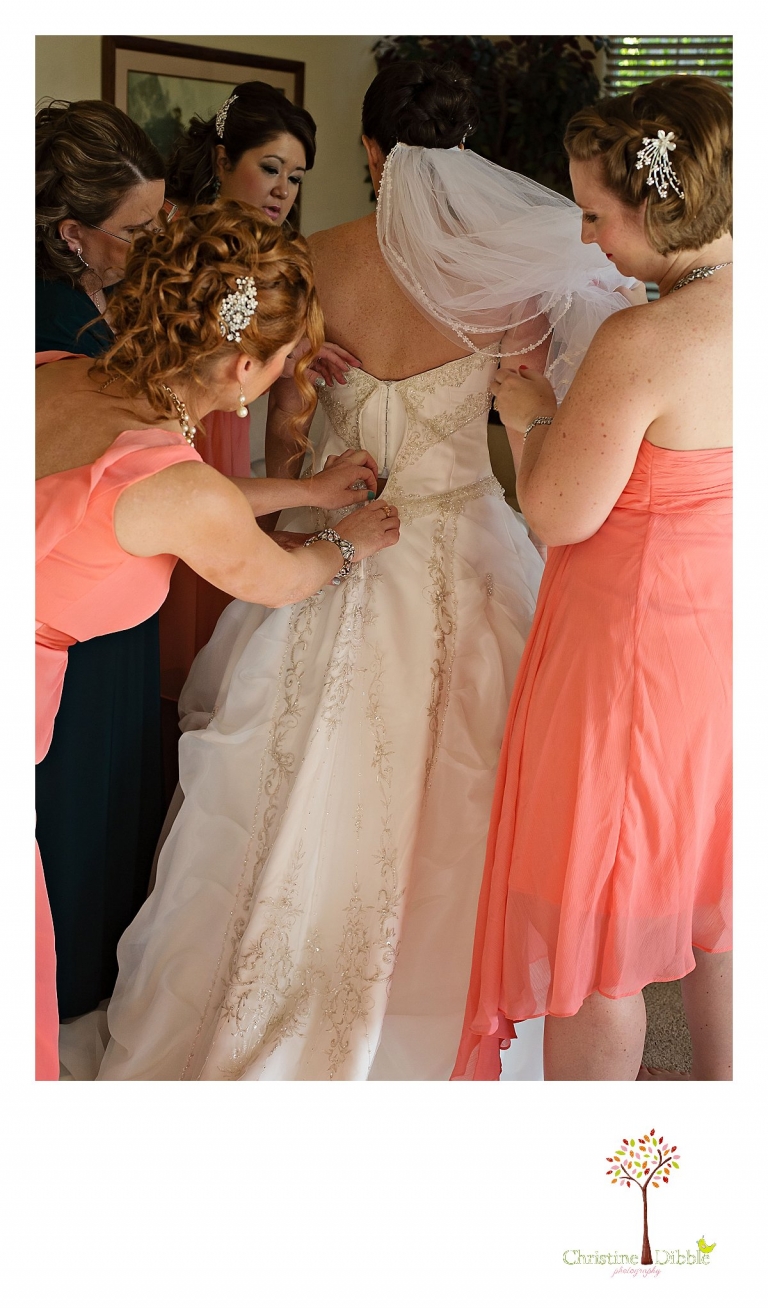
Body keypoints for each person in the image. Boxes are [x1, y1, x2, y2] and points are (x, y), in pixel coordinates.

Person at [98, 63, 632, 1082]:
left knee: (281, 785)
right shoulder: (513, 286)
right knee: (468, 795)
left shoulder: (313, 264)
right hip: (468, 547)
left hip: (333, 538)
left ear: (371, 153)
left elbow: (286, 448)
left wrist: (311, 451)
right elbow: (543, 446)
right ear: (465, 156)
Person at [35, 203, 400, 1077]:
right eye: (285, 360)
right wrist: (348, 541)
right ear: (243, 368)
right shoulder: (178, 488)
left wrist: (301, 488)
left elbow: (169, 495)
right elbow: (280, 577)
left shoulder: (58, 372)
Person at [452, 75, 732, 1082]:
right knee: (717, 902)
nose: (584, 238)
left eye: (595, 214)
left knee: (602, 925)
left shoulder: (644, 340)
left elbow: (558, 511)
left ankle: (592, 1165)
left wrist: (528, 406)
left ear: (659, 208)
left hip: (634, 663)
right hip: (725, 650)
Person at [35, 99, 171, 1027]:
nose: (153, 245)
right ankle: (63, 983)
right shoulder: (46, 322)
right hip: (68, 602)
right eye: (136, 230)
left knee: (121, 771)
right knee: (73, 789)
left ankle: (100, 968)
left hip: (121, 589)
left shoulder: (112, 295)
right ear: (70, 233)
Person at [161, 81, 360, 696]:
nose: (283, 190)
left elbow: (286, 402)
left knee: (213, 586)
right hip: (170, 419)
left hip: (230, 428)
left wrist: (294, 349)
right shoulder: (170, 241)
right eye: (270, 168)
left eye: (295, 178)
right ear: (224, 160)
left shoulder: (285, 256)